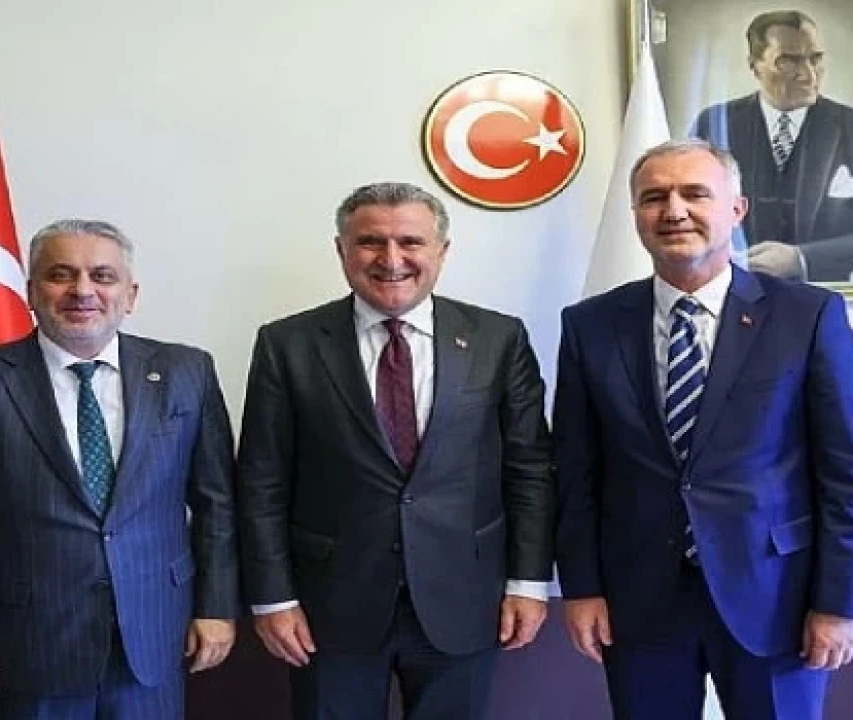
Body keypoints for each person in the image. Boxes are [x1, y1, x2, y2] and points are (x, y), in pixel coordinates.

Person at [555, 138, 853, 719]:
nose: (674, 210)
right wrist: (583, 587)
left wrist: (839, 601)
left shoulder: (806, 315)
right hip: (640, 601)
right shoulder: (590, 325)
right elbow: (575, 470)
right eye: (654, 197)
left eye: (695, 194)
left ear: (736, 210)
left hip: (778, 598)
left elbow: (843, 471)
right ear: (636, 215)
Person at [236, 182, 555, 719]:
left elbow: (529, 469)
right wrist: (273, 596)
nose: (391, 259)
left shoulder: (497, 339)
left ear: (442, 251)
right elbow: (262, 480)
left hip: (465, 599)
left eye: (410, 242)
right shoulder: (287, 344)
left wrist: (528, 581)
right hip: (329, 608)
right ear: (341, 250)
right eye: (370, 242)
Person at [0, 219, 239, 718]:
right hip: (27, 648)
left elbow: (217, 503)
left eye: (102, 276)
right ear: (31, 291)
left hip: (155, 636)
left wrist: (216, 606)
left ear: (130, 295)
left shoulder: (187, 373)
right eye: (61, 274)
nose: (82, 290)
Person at [690, 10, 853, 282]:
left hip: (829, 294)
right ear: (755, 66)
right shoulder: (713, 124)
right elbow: (690, 210)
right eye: (788, 61)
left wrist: (803, 259)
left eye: (815, 59)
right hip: (733, 292)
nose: (808, 75)